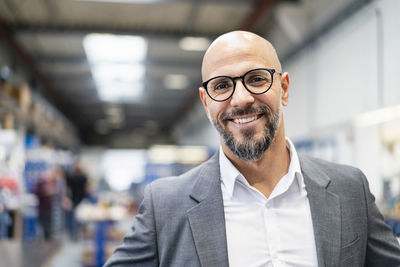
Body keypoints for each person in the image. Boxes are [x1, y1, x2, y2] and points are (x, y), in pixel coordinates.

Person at [104, 31, 400, 267]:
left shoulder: (350, 191)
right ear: (206, 102)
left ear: (283, 88)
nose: (241, 98)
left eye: (256, 78)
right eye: (221, 86)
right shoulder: (166, 205)